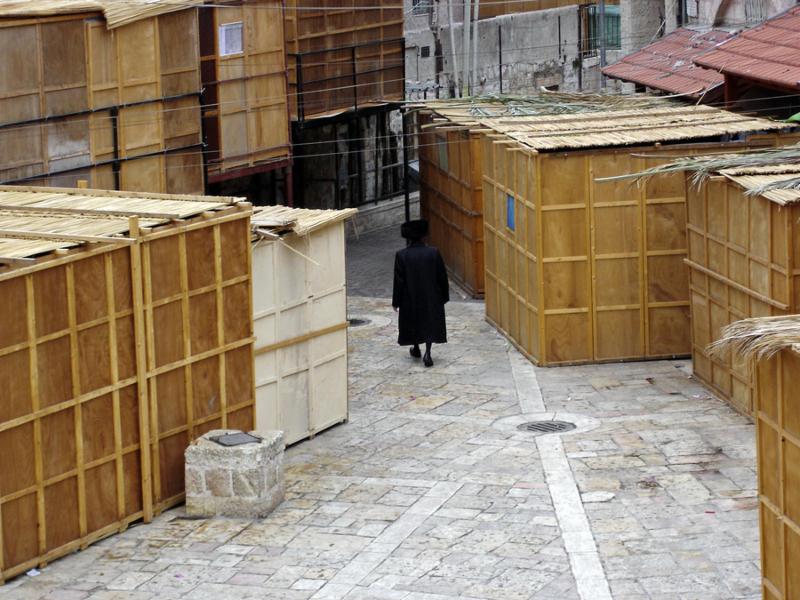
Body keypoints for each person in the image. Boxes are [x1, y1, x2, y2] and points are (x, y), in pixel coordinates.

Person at [392, 219, 449, 367]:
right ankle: (428, 352)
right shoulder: (433, 253)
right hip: (431, 296)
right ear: (424, 235)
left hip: (410, 296)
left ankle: (416, 347)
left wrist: (396, 301)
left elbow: (399, 281)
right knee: (429, 322)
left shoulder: (402, 255)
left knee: (414, 320)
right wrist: (444, 296)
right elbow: (442, 276)